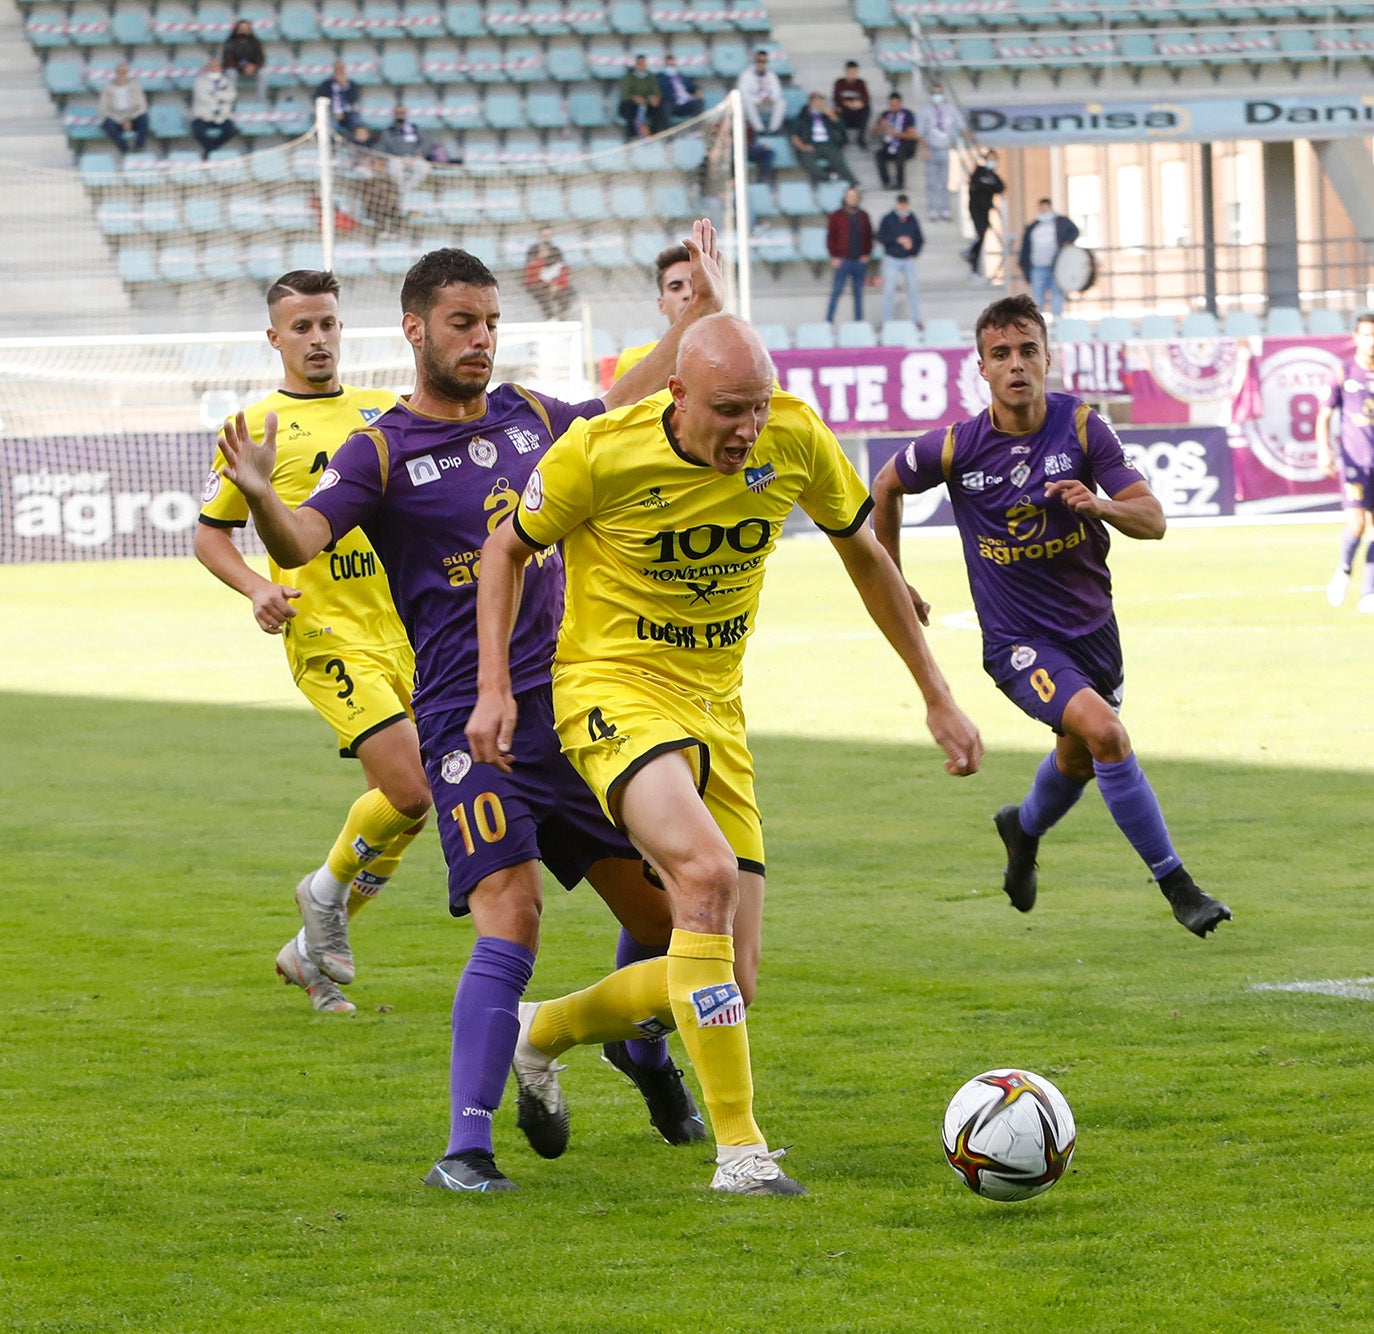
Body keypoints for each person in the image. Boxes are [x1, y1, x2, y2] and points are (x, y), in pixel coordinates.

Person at [216, 224, 728, 1192]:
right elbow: (301, 540)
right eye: (462, 323)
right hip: (464, 721)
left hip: (576, 711)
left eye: (490, 322)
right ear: (416, 330)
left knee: (669, 930)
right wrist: (261, 502)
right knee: (514, 913)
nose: (480, 339)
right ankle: (466, 1147)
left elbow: (636, 395)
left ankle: (641, 1053)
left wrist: (694, 312)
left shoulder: (535, 413)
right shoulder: (381, 450)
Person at [467, 314, 983, 1197]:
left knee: (730, 978)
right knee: (703, 875)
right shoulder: (599, 451)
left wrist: (935, 690)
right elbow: (504, 550)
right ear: (675, 393)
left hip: (718, 709)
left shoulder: (794, 436)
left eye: (754, 407)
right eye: (727, 410)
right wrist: (493, 688)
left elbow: (865, 556)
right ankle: (741, 1153)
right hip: (610, 689)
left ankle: (541, 1031)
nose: (746, 428)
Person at [871, 293, 1231, 938]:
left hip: (1094, 635)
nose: (1016, 365)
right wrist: (895, 576)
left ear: (1047, 357)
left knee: (1079, 759)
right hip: (1018, 643)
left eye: (1027, 350)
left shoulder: (1085, 428)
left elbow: (1153, 521)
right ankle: (1179, 885)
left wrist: (1100, 506)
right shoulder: (957, 447)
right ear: (980, 367)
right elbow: (885, 485)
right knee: (1108, 734)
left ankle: (1022, 828)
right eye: (1000, 354)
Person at [194, 270, 423, 1015]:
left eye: (327, 323)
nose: (317, 338)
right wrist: (258, 587)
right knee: (411, 789)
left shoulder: (384, 412)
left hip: (408, 632)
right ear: (275, 338)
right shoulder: (256, 425)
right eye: (301, 328)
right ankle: (320, 895)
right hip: (326, 633)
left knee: (404, 814)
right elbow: (209, 535)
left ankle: (308, 956)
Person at [1319, 314, 1374, 610]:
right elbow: (1324, 415)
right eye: (1366, 335)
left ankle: (1369, 592)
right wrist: (1324, 450)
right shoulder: (1343, 372)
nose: (1371, 341)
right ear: (1356, 338)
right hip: (1355, 462)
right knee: (1356, 524)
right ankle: (1344, 570)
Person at [613, 243, 692, 379]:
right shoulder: (633, 362)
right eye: (675, 287)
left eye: (696, 285)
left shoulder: (733, 356)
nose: (688, 293)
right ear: (661, 305)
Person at [1018, 198, 1079, 318]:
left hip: (1056, 265)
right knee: (1037, 294)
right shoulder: (1033, 226)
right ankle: (1037, 320)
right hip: (1038, 265)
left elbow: (1074, 231)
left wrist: (1067, 242)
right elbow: (1025, 247)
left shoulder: (1061, 222)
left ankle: (1057, 318)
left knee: (1056, 292)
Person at [914, 82, 961, 221]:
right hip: (931, 148)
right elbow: (920, 132)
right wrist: (924, 149)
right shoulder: (924, 110)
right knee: (931, 182)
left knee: (945, 181)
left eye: (940, 93)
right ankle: (933, 209)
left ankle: (945, 209)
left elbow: (960, 126)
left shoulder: (950, 109)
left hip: (945, 148)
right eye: (935, 93)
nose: (938, 96)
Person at [788, 93, 857, 187]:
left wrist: (830, 114)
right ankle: (827, 178)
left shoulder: (828, 116)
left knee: (840, 162)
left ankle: (853, 183)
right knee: (808, 161)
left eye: (821, 102)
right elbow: (794, 136)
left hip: (829, 144)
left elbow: (841, 127)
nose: (819, 104)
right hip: (811, 145)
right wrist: (803, 146)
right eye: (817, 102)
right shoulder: (801, 117)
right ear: (810, 103)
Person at [825, 186, 872, 326]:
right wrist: (834, 256)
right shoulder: (836, 216)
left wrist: (866, 254)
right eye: (849, 196)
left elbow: (869, 236)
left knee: (858, 294)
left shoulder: (864, 216)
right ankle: (828, 322)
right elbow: (830, 238)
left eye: (854, 197)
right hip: (843, 260)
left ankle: (859, 323)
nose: (852, 199)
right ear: (845, 198)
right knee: (836, 292)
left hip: (859, 260)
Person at [876, 193, 922, 326]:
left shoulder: (912, 219)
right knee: (889, 290)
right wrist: (897, 240)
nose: (902, 206)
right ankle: (887, 321)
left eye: (904, 204)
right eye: (900, 204)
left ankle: (916, 320)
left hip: (907, 259)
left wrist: (914, 251)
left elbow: (919, 239)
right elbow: (880, 237)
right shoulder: (888, 219)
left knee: (912, 290)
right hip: (892, 258)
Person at [378, 104, 434, 206]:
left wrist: (419, 153)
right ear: (394, 114)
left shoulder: (414, 128)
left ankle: (405, 190)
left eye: (402, 112)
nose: (400, 115)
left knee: (425, 168)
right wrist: (383, 159)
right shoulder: (388, 131)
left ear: (406, 114)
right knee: (394, 168)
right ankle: (400, 192)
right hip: (396, 158)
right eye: (398, 113)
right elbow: (383, 147)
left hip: (413, 158)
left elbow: (426, 142)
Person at [964, 148, 1005, 281]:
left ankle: (972, 255)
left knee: (982, 236)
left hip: (986, 209)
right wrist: (988, 186)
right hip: (976, 208)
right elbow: (977, 184)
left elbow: (1001, 187)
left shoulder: (993, 176)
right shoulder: (979, 171)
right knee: (980, 234)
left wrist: (987, 185)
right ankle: (972, 257)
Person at [190, 55, 239, 161]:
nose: (213, 68)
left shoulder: (226, 81)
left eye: (216, 66)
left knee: (231, 130)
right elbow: (202, 97)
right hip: (204, 116)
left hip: (222, 116)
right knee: (197, 131)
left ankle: (209, 151)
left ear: (220, 68)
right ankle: (213, 150)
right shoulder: (200, 81)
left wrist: (214, 94)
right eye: (211, 66)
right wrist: (220, 97)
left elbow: (232, 96)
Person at [523, 226, 575, 320]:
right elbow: (530, 271)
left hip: (554, 282)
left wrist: (556, 284)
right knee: (541, 294)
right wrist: (540, 259)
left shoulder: (556, 250)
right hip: (537, 283)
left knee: (569, 293)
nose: (546, 237)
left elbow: (561, 268)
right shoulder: (533, 250)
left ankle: (561, 318)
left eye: (548, 235)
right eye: (544, 235)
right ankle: (550, 318)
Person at [99, 62, 149, 157]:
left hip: (132, 118)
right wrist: (122, 120)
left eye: (124, 72)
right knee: (108, 122)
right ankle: (124, 149)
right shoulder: (108, 88)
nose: (122, 74)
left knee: (144, 118)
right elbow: (104, 108)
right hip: (116, 119)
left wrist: (129, 119)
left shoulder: (135, 86)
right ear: (116, 72)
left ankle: (138, 147)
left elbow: (142, 106)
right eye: (120, 72)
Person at [872, 92, 917, 192]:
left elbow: (912, 135)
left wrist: (896, 133)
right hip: (888, 147)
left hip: (905, 146)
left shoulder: (908, 114)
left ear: (900, 103)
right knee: (878, 154)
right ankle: (886, 182)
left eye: (895, 104)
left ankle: (900, 183)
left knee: (900, 152)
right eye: (891, 104)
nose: (893, 107)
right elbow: (873, 133)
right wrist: (880, 126)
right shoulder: (884, 115)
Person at [736, 47, 785, 135]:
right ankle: (759, 130)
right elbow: (743, 93)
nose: (761, 64)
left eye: (764, 61)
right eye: (759, 61)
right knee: (748, 103)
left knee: (781, 103)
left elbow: (777, 92)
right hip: (754, 104)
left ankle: (773, 130)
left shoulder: (771, 75)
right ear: (755, 61)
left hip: (767, 104)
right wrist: (759, 99)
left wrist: (770, 98)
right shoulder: (746, 75)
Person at [617, 54, 663, 140]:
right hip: (632, 104)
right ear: (636, 65)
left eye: (643, 64)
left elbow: (656, 91)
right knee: (629, 110)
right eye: (640, 64)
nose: (642, 66)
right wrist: (635, 98)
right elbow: (625, 93)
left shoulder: (650, 77)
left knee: (660, 108)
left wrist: (655, 98)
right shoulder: (629, 77)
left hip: (646, 103)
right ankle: (632, 135)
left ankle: (653, 134)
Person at [221, 19, 266, 99]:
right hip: (236, 69)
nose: (244, 31)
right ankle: (231, 99)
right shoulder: (230, 42)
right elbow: (228, 61)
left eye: (246, 29)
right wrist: (243, 67)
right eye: (242, 29)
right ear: (237, 30)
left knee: (263, 73)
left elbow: (261, 58)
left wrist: (254, 66)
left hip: (252, 69)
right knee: (231, 73)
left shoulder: (255, 42)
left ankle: (261, 100)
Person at [831, 61, 870, 149]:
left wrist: (856, 103)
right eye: (850, 72)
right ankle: (844, 139)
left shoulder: (861, 83)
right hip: (845, 114)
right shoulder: (839, 83)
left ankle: (861, 138)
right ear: (846, 71)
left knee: (867, 108)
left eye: (854, 72)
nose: (852, 74)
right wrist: (849, 103)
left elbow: (866, 98)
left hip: (857, 114)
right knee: (838, 109)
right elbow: (837, 98)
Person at [316, 60, 361, 135]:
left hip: (348, 113)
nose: (340, 71)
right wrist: (335, 112)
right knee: (332, 126)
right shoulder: (326, 84)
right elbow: (321, 98)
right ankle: (331, 144)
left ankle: (355, 144)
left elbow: (353, 100)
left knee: (359, 124)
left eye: (341, 68)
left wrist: (345, 87)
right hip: (331, 113)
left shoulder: (351, 84)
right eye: (337, 68)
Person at [657, 53, 704, 124]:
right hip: (672, 103)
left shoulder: (681, 76)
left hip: (685, 103)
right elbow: (660, 90)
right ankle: (667, 131)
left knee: (698, 102)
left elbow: (691, 87)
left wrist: (697, 89)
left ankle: (696, 128)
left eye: (672, 64)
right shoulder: (660, 77)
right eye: (669, 65)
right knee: (665, 105)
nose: (671, 67)